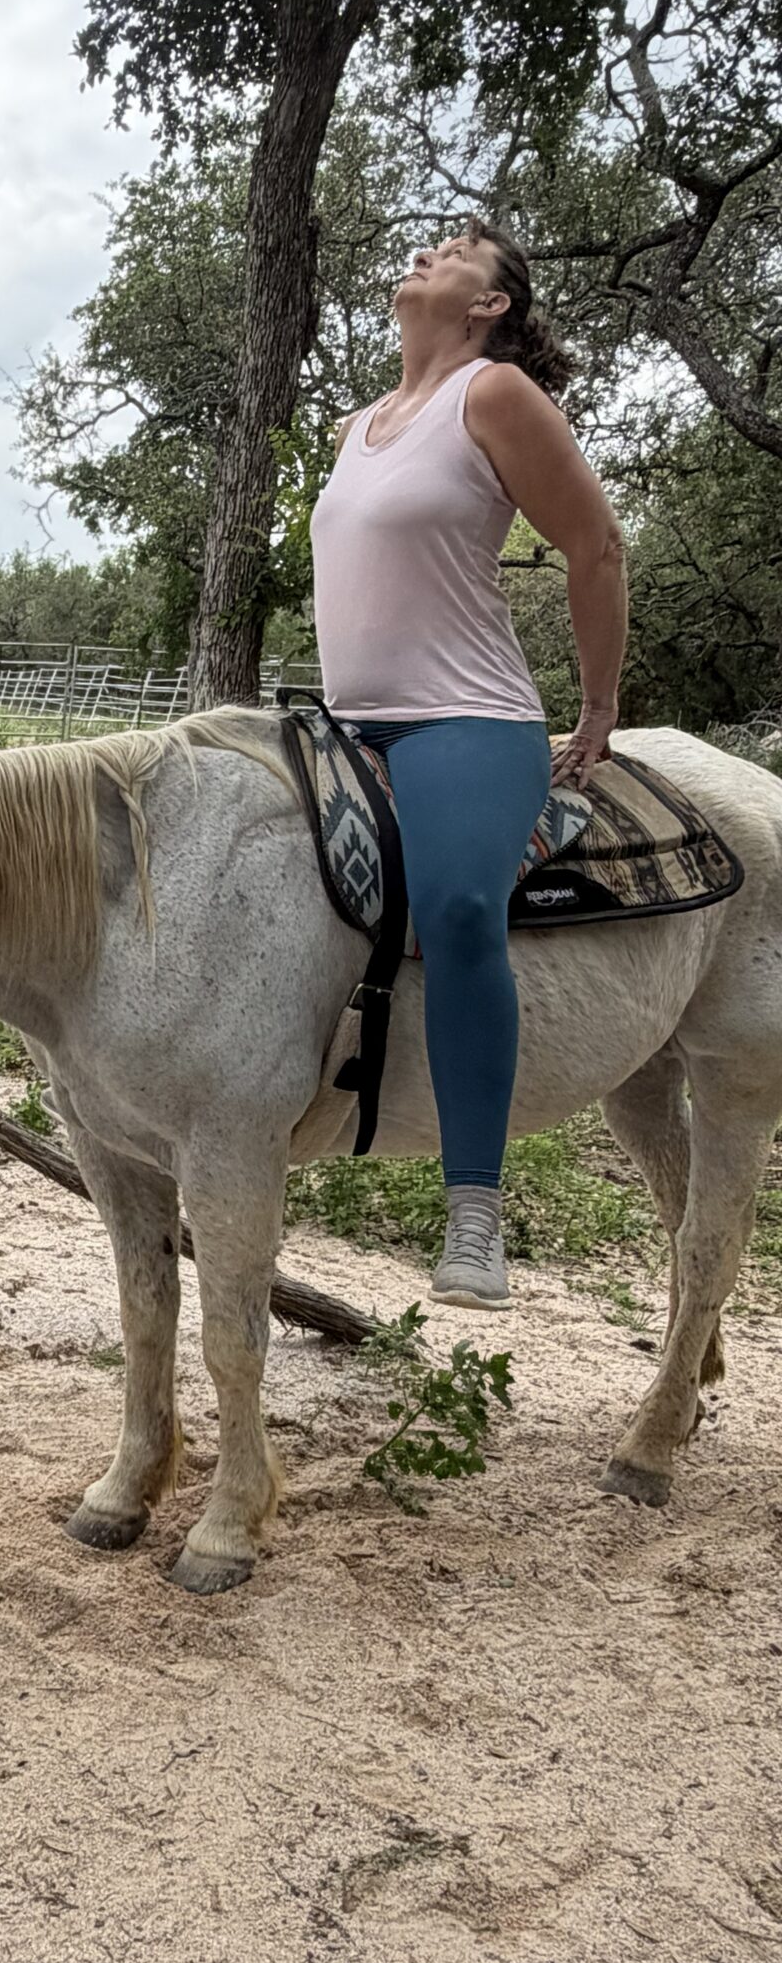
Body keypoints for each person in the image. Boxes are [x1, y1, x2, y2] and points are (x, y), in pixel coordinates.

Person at [308, 219, 628, 1310]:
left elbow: (596, 542)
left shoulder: (491, 395)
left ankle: (475, 1211)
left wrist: (596, 704)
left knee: (452, 909)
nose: (427, 254)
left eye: (456, 251)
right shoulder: (361, 425)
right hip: (347, 721)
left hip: (465, 718)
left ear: (490, 302)